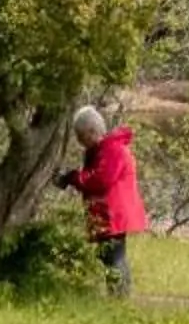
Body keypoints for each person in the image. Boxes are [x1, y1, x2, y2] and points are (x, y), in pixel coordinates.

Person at [59, 105, 148, 296]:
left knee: (114, 256)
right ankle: (117, 294)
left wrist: (75, 178)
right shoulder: (103, 150)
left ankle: (119, 296)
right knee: (108, 255)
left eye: (81, 136)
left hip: (113, 213)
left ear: (92, 131)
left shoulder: (113, 149)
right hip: (107, 212)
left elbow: (100, 180)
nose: (80, 141)